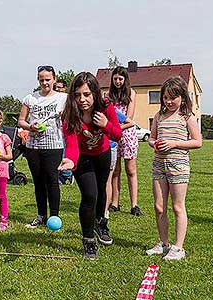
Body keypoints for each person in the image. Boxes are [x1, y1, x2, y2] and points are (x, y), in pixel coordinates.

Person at [59, 71, 122, 259]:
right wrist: (70, 159)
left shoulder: (106, 108)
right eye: (77, 95)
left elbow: (117, 135)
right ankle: (88, 241)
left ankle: (100, 223)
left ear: (94, 93)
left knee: (102, 192)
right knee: (89, 195)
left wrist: (105, 125)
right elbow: (71, 145)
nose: (82, 99)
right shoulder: (70, 115)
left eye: (86, 94)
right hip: (82, 158)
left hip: (102, 155)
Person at [146, 76, 202, 260]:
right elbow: (151, 138)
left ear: (183, 98)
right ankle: (163, 244)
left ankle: (178, 248)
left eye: (173, 98)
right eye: (165, 98)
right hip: (159, 165)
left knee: (178, 207)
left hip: (178, 166)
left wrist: (174, 143)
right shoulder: (158, 116)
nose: (169, 101)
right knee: (159, 206)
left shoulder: (187, 117)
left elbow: (197, 142)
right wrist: (155, 144)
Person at [18, 65, 67, 228]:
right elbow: (21, 121)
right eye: (42, 80)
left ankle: (54, 216)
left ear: (54, 79)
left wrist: (64, 114)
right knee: (38, 182)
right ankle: (41, 215)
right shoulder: (30, 98)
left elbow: (72, 117)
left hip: (54, 145)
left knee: (52, 181)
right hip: (33, 146)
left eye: (48, 79)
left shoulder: (63, 98)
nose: (45, 83)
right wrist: (30, 127)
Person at [109, 66, 143, 216]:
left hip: (127, 135)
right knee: (115, 170)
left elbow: (130, 120)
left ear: (125, 80)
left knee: (131, 170)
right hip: (113, 136)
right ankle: (115, 203)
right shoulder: (108, 95)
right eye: (115, 79)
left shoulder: (131, 93)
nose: (117, 81)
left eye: (120, 79)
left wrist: (116, 127)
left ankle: (134, 205)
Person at [99, 108, 134, 245]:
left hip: (110, 147)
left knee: (107, 180)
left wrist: (114, 127)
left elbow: (130, 122)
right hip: (93, 148)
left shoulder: (110, 109)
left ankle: (104, 211)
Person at [54, 79, 73, 185]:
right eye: (56, 87)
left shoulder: (67, 99)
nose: (57, 89)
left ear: (65, 88)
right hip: (56, 130)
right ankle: (61, 176)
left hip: (66, 129)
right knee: (58, 153)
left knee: (65, 152)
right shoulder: (54, 98)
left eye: (59, 87)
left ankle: (67, 175)